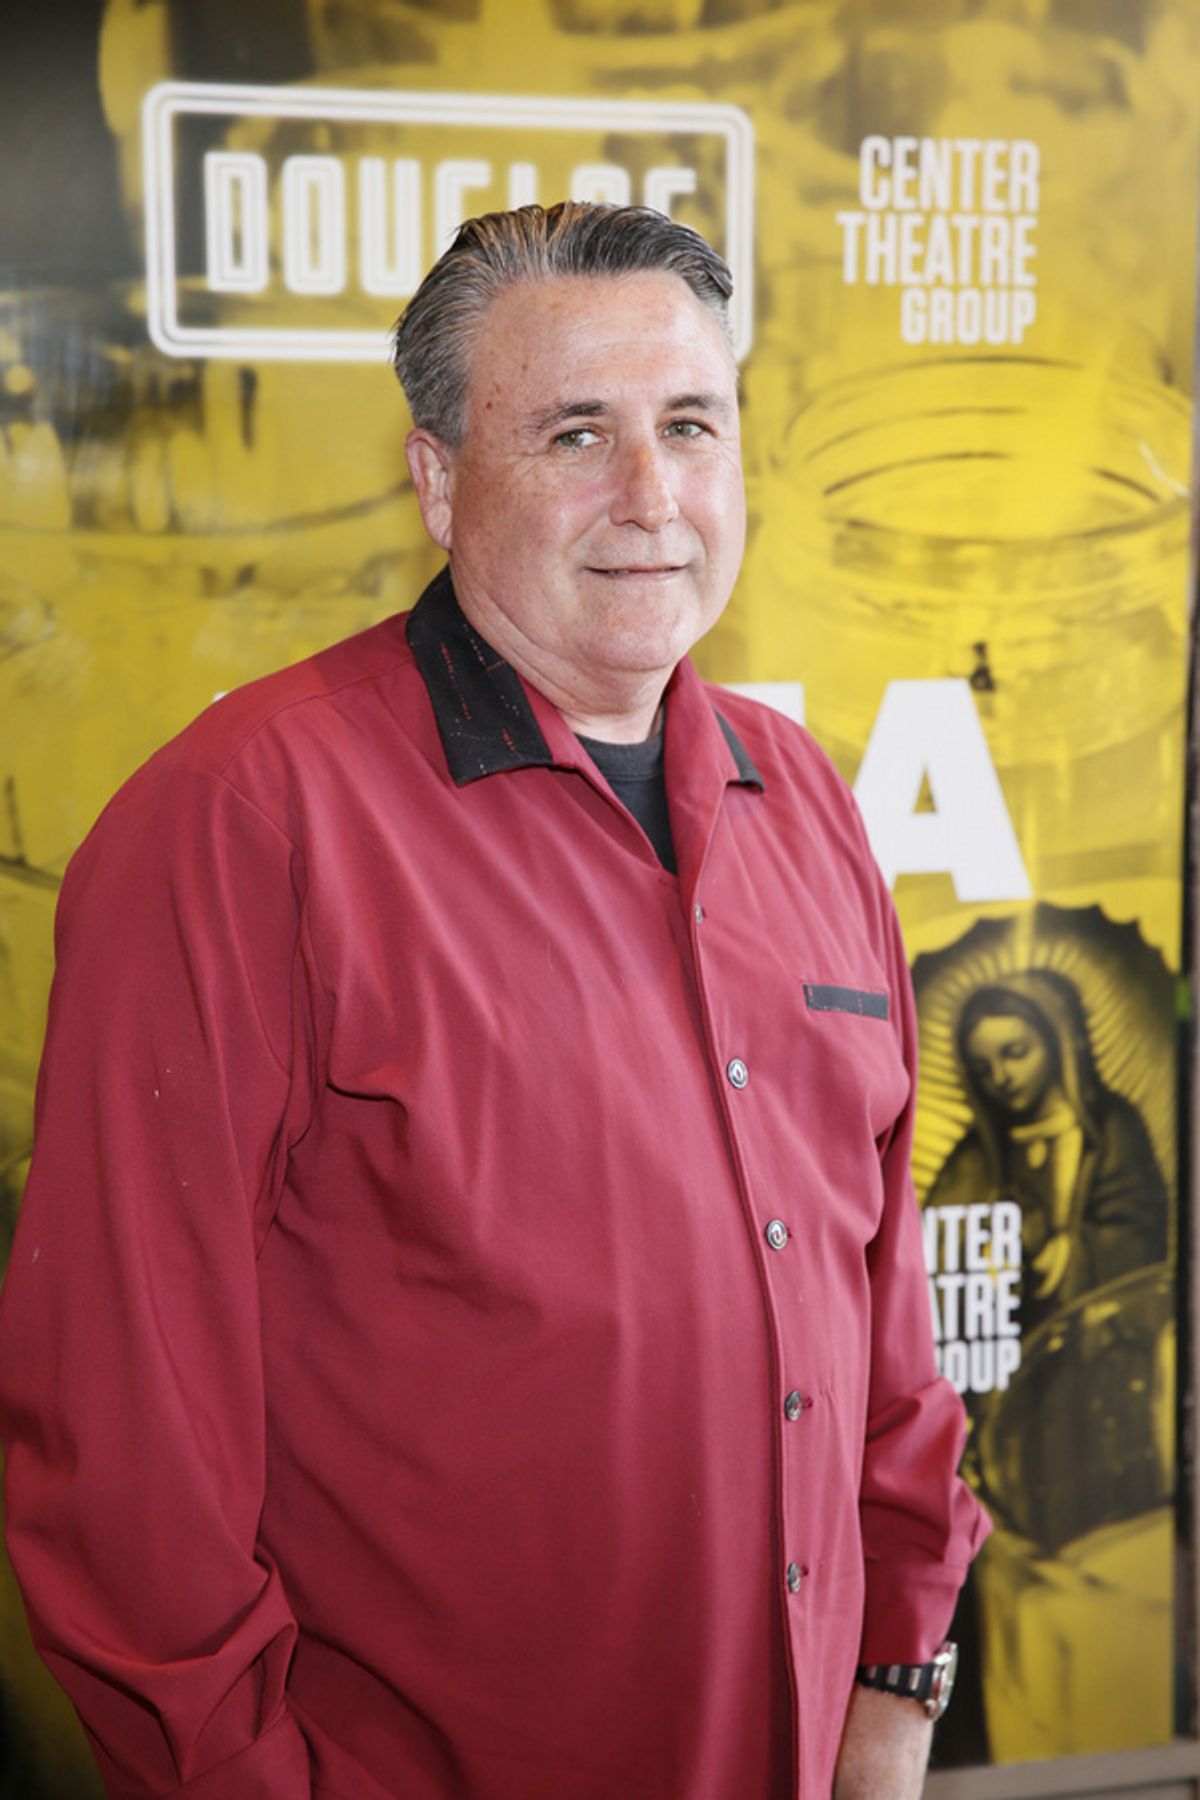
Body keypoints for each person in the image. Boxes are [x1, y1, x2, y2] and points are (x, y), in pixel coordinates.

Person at [0, 202, 988, 1800]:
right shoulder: (244, 826)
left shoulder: (802, 798)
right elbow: (124, 1462)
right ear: (441, 480)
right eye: (576, 434)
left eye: (690, 425)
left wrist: (896, 1677)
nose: (652, 497)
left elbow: (881, 1320)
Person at [929, 970, 1168, 1326]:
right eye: (983, 1068)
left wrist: (1061, 1252)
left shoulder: (1110, 1129)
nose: (1001, 1077)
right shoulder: (974, 1156)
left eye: (1016, 1053)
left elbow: (1139, 1239)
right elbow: (933, 1254)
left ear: (1057, 1044)